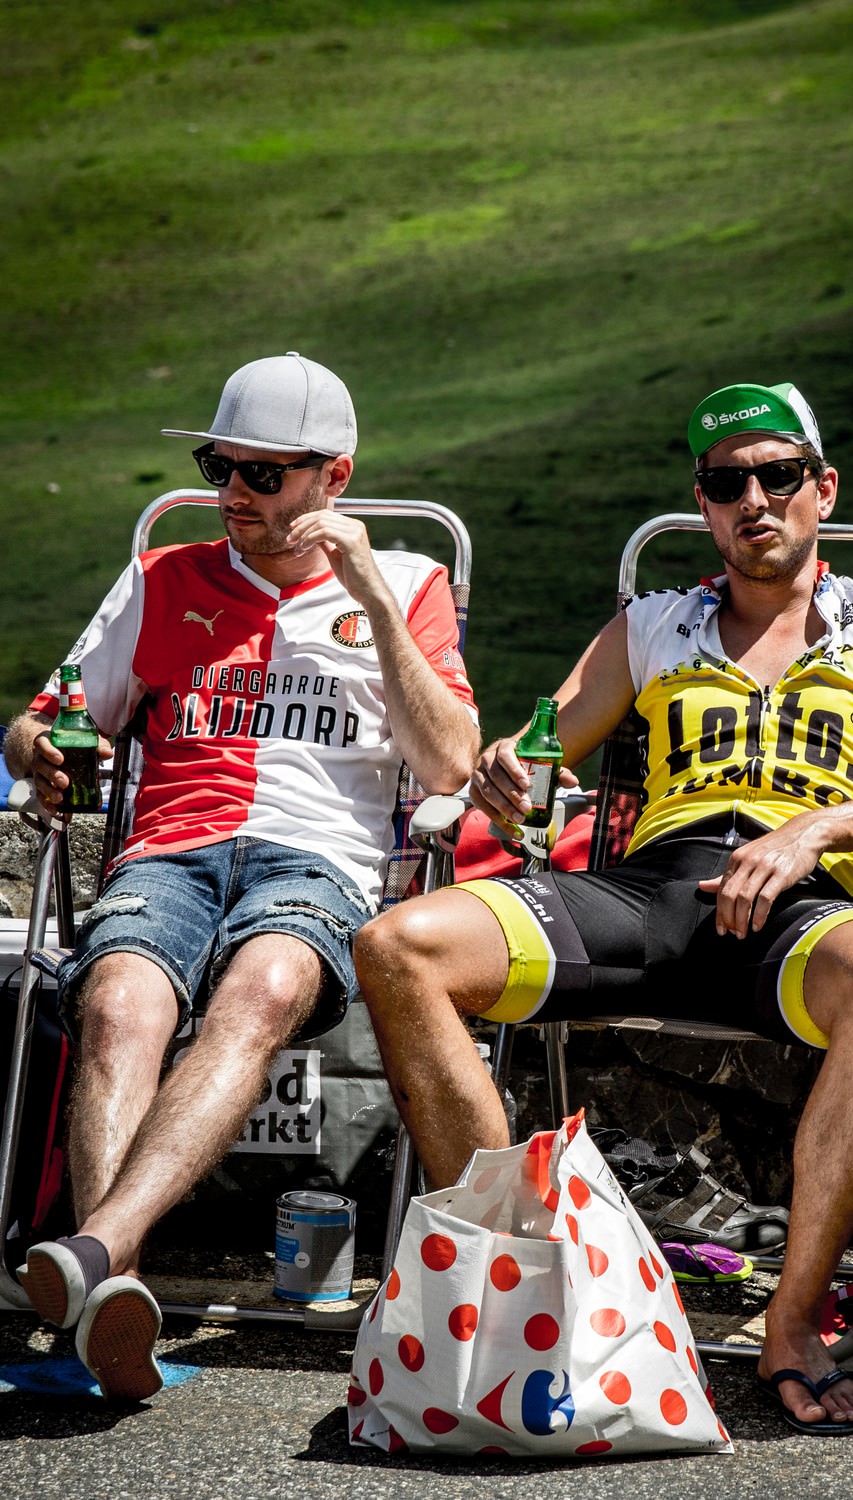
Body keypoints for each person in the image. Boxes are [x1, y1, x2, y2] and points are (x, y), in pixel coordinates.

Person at [354, 380, 853, 1436]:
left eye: (779, 476)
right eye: (727, 482)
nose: (755, 499)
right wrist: (513, 771)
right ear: (703, 504)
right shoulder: (653, 621)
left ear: (822, 489)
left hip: (802, 907)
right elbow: (539, 749)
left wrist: (808, 833)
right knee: (397, 945)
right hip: (647, 893)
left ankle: (793, 1325)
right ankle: (511, 1278)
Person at [4, 351, 479, 1400]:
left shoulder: (410, 586)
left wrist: (373, 601)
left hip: (317, 858)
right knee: (120, 998)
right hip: (173, 846)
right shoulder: (165, 577)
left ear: (333, 480)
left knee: (262, 988)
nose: (232, 495)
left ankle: (91, 1255)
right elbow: (45, 719)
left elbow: (452, 763)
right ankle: (112, 1293)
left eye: (264, 475)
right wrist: (37, 744)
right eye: (223, 467)